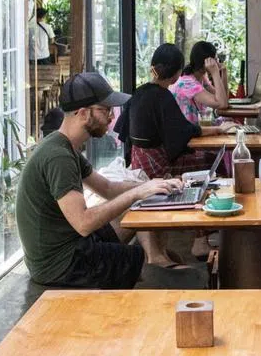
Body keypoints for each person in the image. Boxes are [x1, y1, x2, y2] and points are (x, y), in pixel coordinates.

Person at [15, 72, 183, 289]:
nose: (112, 117)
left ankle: (156, 259)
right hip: (62, 263)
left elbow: (108, 188)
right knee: (157, 277)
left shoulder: (63, 146)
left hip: (72, 244)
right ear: (84, 113)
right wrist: (136, 194)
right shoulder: (59, 157)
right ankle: (157, 268)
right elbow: (84, 223)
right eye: (106, 110)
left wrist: (152, 186)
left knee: (139, 213)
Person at [117, 44, 236, 179]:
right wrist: (219, 129)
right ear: (176, 74)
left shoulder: (139, 92)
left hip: (138, 165)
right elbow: (187, 132)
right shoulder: (163, 97)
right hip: (159, 170)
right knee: (215, 160)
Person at [171, 41, 230, 124]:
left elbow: (224, 99)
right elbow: (222, 104)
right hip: (188, 134)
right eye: (215, 59)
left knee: (231, 124)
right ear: (206, 62)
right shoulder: (188, 83)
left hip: (197, 128)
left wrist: (224, 72)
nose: (217, 62)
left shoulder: (201, 77)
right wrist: (215, 73)